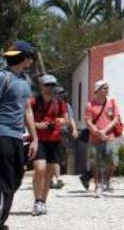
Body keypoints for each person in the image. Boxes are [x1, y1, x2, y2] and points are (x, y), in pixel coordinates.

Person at [0, 41, 39, 228]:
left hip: (17, 136)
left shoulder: (25, 80)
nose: (31, 60)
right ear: (23, 57)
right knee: (6, 179)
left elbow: (27, 110)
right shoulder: (3, 77)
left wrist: (34, 138)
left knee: (17, 177)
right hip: (2, 134)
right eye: (30, 56)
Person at [30, 74, 71, 216]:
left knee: (48, 173)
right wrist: (38, 125)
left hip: (55, 140)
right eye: (48, 85)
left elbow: (65, 119)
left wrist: (61, 120)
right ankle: (37, 200)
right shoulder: (33, 101)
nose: (50, 87)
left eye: (53, 85)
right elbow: (26, 120)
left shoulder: (59, 102)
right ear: (41, 86)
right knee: (39, 169)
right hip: (39, 139)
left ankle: (42, 202)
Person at [85, 79, 122, 198]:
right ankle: (98, 185)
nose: (107, 90)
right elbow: (88, 121)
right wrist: (97, 132)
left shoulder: (112, 102)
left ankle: (107, 180)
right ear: (98, 90)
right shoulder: (90, 105)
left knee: (112, 161)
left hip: (109, 137)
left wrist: (104, 131)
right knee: (95, 162)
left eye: (107, 88)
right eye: (105, 88)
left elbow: (116, 118)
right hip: (95, 138)